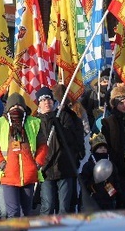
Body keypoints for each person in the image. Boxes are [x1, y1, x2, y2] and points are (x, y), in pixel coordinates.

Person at [0, 92, 47, 217]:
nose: (16, 109)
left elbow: (43, 145)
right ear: (8, 108)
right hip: (8, 175)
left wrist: (37, 163)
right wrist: (1, 163)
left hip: (29, 174)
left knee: (27, 212)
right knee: (13, 213)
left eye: (19, 107)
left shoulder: (34, 122)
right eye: (13, 107)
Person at [34, 86, 85, 215]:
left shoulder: (63, 116)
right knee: (48, 206)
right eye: (43, 100)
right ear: (39, 103)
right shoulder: (35, 121)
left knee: (64, 208)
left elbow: (70, 138)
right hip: (45, 169)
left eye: (49, 99)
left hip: (64, 167)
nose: (46, 102)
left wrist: (56, 123)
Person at [100, 84, 125, 209]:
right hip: (118, 166)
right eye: (121, 103)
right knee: (123, 199)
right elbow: (106, 145)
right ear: (114, 104)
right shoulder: (108, 122)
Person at [80, 133, 118, 210]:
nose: (103, 149)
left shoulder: (111, 164)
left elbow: (116, 179)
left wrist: (115, 194)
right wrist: (92, 186)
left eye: (105, 147)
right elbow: (84, 181)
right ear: (95, 150)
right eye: (100, 147)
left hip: (109, 199)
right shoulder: (89, 165)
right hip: (94, 199)